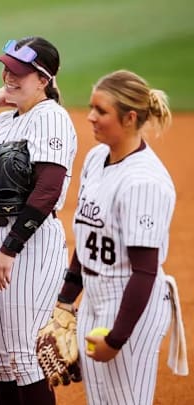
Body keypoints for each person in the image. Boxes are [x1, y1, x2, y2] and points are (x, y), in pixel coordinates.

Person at [0, 37, 77, 405]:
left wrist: (11, 248)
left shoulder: (52, 118)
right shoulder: (1, 122)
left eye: (19, 72)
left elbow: (48, 190)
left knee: (26, 357)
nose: (9, 76)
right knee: (0, 362)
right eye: (6, 68)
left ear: (43, 79)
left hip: (31, 244)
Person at [55, 69, 185, 404]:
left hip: (130, 304)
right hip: (95, 297)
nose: (91, 118)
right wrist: (65, 300)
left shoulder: (144, 182)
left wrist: (117, 339)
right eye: (91, 108)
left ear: (129, 118)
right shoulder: (97, 158)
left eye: (101, 111)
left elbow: (145, 271)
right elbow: (87, 238)